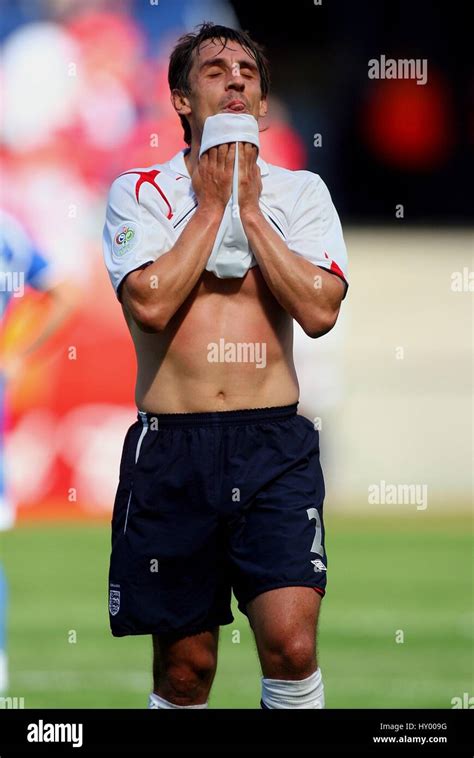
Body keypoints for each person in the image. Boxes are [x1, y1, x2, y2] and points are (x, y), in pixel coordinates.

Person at [102, 22, 348, 710]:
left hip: (272, 446)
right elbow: (150, 305)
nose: (236, 78)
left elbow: (321, 310)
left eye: (247, 71)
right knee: (186, 671)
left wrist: (248, 209)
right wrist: (213, 206)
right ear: (182, 100)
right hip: (172, 451)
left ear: (264, 104)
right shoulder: (139, 193)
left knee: (292, 649)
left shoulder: (301, 195)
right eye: (214, 70)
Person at [0, 208, 77, 693]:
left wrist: (18, 355)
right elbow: (64, 293)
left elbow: (66, 294)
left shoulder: (8, 231)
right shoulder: (8, 229)